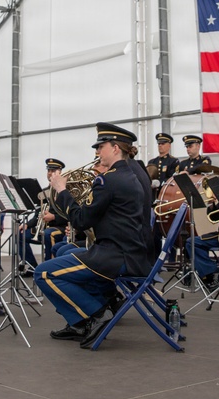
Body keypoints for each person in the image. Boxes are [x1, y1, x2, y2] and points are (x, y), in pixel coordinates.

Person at [34, 123, 151, 348]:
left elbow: (80, 220)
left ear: (115, 148)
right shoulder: (128, 176)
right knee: (68, 252)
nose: (97, 152)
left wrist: (62, 190)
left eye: (101, 146)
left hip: (115, 256)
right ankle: (79, 322)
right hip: (128, 252)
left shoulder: (109, 180)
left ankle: (96, 313)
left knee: (44, 273)